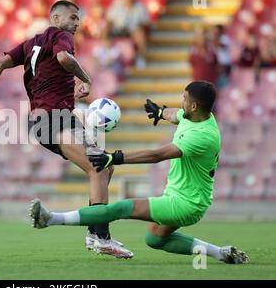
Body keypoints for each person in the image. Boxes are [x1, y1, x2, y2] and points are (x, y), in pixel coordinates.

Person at [0, 0, 131, 258]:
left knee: (105, 166)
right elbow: (63, 58)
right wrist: (86, 78)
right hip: (52, 119)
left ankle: (97, 233)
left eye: (78, 19)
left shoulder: (30, 44)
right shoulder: (61, 36)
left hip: (49, 119)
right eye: (72, 17)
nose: (77, 23)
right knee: (98, 167)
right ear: (55, 18)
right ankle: (99, 236)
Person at [30, 81, 249, 264]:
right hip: (191, 200)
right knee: (155, 239)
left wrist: (114, 157)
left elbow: (157, 155)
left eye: (184, 99)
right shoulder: (199, 116)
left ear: (194, 106)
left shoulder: (202, 136)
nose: (181, 103)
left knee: (122, 207)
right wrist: (161, 113)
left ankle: (49, 219)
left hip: (184, 203)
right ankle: (219, 253)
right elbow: (177, 115)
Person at [106, 0, 150, 68]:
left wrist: (140, 27)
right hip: (118, 29)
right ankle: (106, 54)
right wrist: (108, 28)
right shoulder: (117, 5)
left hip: (132, 31)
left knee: (140, 34)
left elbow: (146, 23)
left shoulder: (140, 7)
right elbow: (110, 19)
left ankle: (140, 58)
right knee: (106, 29)